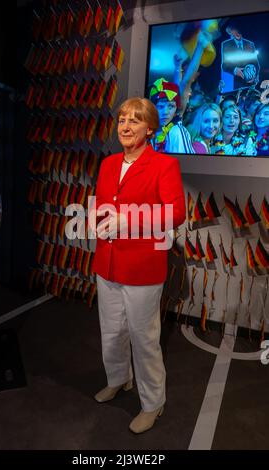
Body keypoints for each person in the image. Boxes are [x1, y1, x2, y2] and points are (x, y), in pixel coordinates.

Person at [89, 97, 186, 434]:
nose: (126, 127)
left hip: (142, 265)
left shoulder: (164, 165)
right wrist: (96, 219)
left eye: (134, 121)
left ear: (150, 127)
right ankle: (118, 379)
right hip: (108, 262)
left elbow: (175, 213)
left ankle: (153, 403)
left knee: (144, 338)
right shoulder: (108, 163)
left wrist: (126, 221)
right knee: (111, 330)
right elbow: (103, 204)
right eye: (121, 121)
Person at [149, 78, 194, 154]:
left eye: (171, 106)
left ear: (176, 108)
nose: (166, 112)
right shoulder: (148, 131)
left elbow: (185, 163)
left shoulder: (176, 132)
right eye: (160, 106)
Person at [221, 25, 260, 92]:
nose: (237, 33)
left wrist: (254, 76)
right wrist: (235, 70)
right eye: (234, 30)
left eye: (238, 31)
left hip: (251, 84)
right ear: (230, 32)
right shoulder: (226, 44)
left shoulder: (250, 44)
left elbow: (256, 64)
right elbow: (224, 65)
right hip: (236, 84)